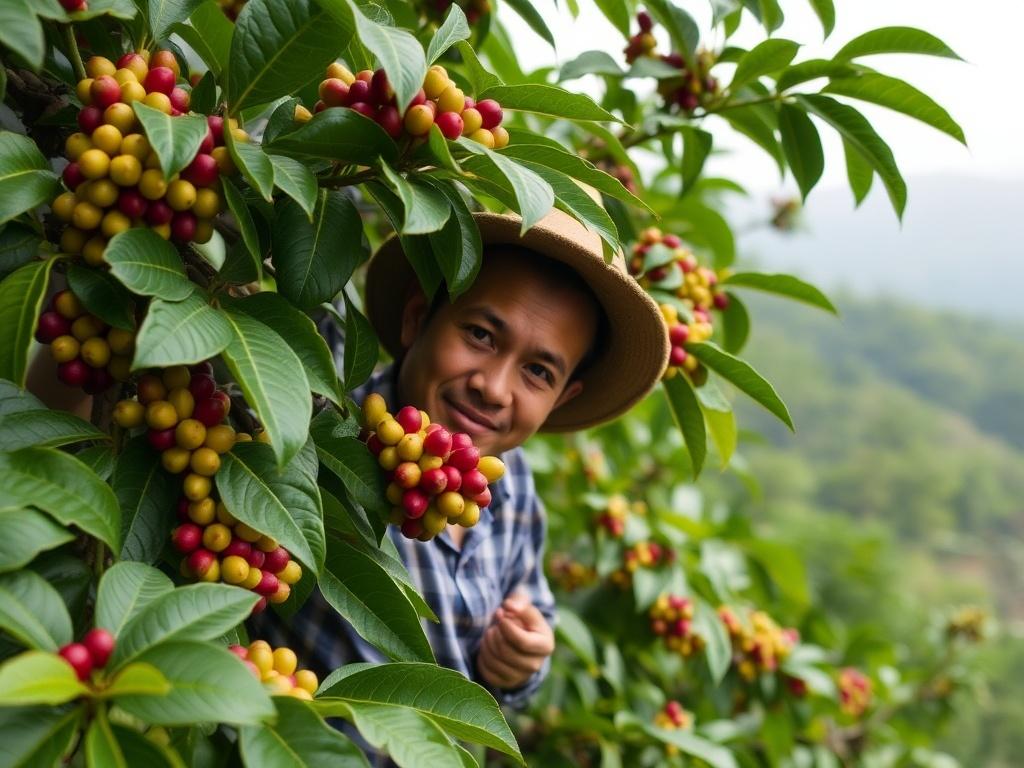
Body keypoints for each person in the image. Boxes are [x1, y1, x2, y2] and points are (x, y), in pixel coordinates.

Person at [249, 208, 669, 711]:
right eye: (481, 335)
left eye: (537, 371)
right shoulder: (326, 421)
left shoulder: (515, 493)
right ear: (416, 317)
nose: (492, 388)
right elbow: (304, 286)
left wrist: (522, 662)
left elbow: (528, 615)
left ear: (562, 397)